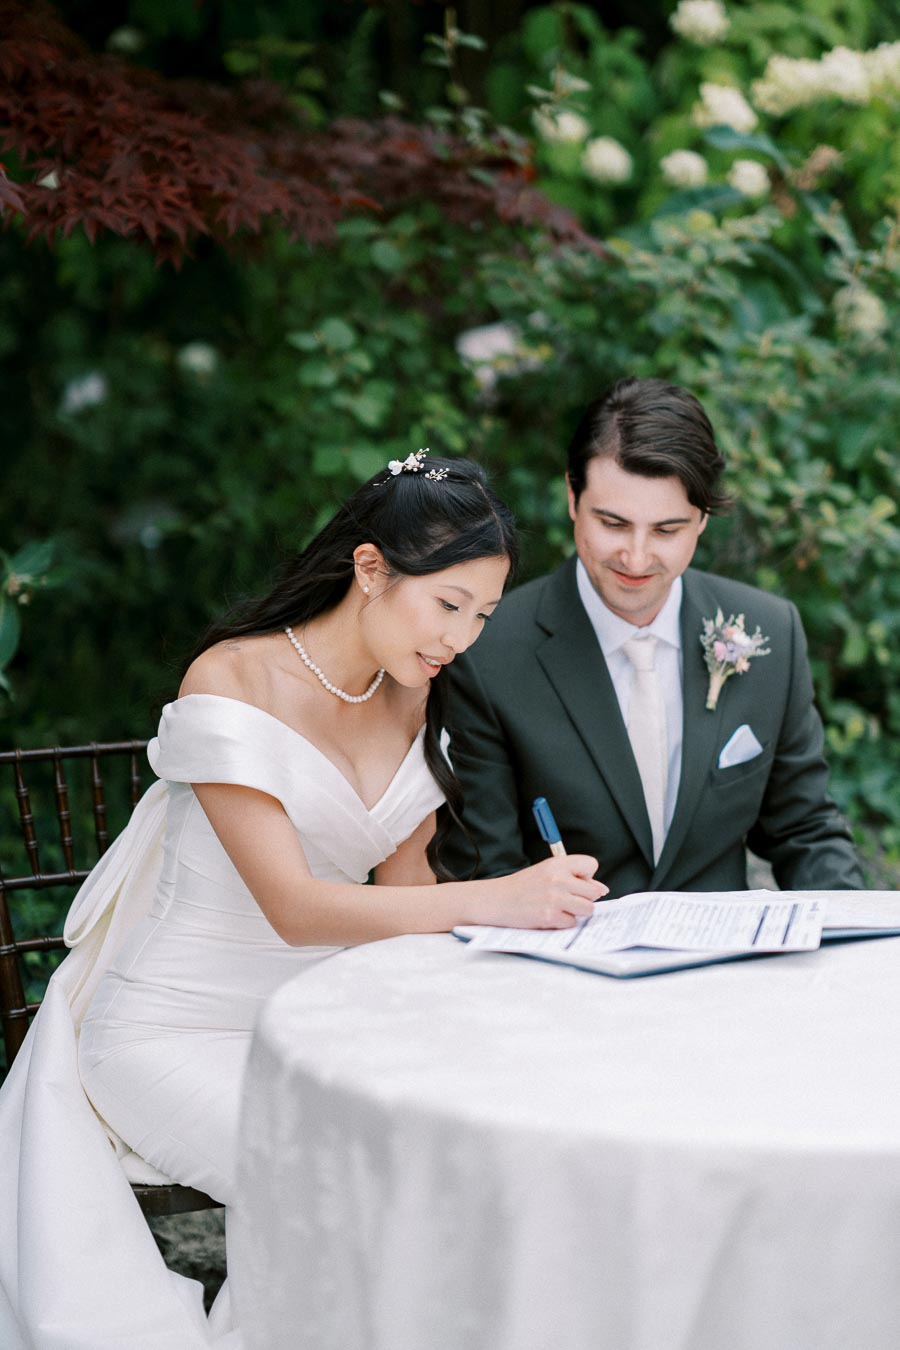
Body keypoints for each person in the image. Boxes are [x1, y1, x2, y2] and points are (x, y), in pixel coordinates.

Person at [0, 450, 606, 1350]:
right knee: (346, 1181)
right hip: (167, 1034)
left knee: (487, 1133)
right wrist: (502, 898)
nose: (460, 639)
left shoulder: (412, 697)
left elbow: (405, 907)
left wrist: (515, 967)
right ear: (371, 569)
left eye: (481, 615)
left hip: (313, 1030)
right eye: (447, 605)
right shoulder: (230, 680)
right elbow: (297, 908)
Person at [444, 378, 865, 896]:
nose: (637, 558)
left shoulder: (772, 631)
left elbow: (806, 833)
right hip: (566, 967)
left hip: (726, 966)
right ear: (573, 498)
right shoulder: (486, 652)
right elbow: (485, 874)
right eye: (614, 524)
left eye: (667, 530)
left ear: (702, 519)